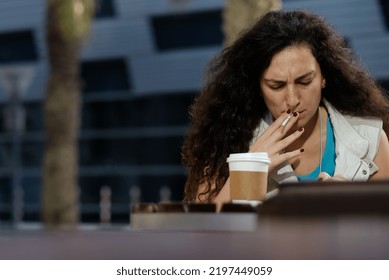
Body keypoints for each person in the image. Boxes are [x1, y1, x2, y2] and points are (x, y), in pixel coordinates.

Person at [181, 10, 389, 205]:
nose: (292, 99)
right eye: (277, 86)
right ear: (258, 86)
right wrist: (252, 169)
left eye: (304, 82)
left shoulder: (370, 138)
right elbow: (208, 233)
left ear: (324, 76)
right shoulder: (227, 139)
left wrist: (352, 204)